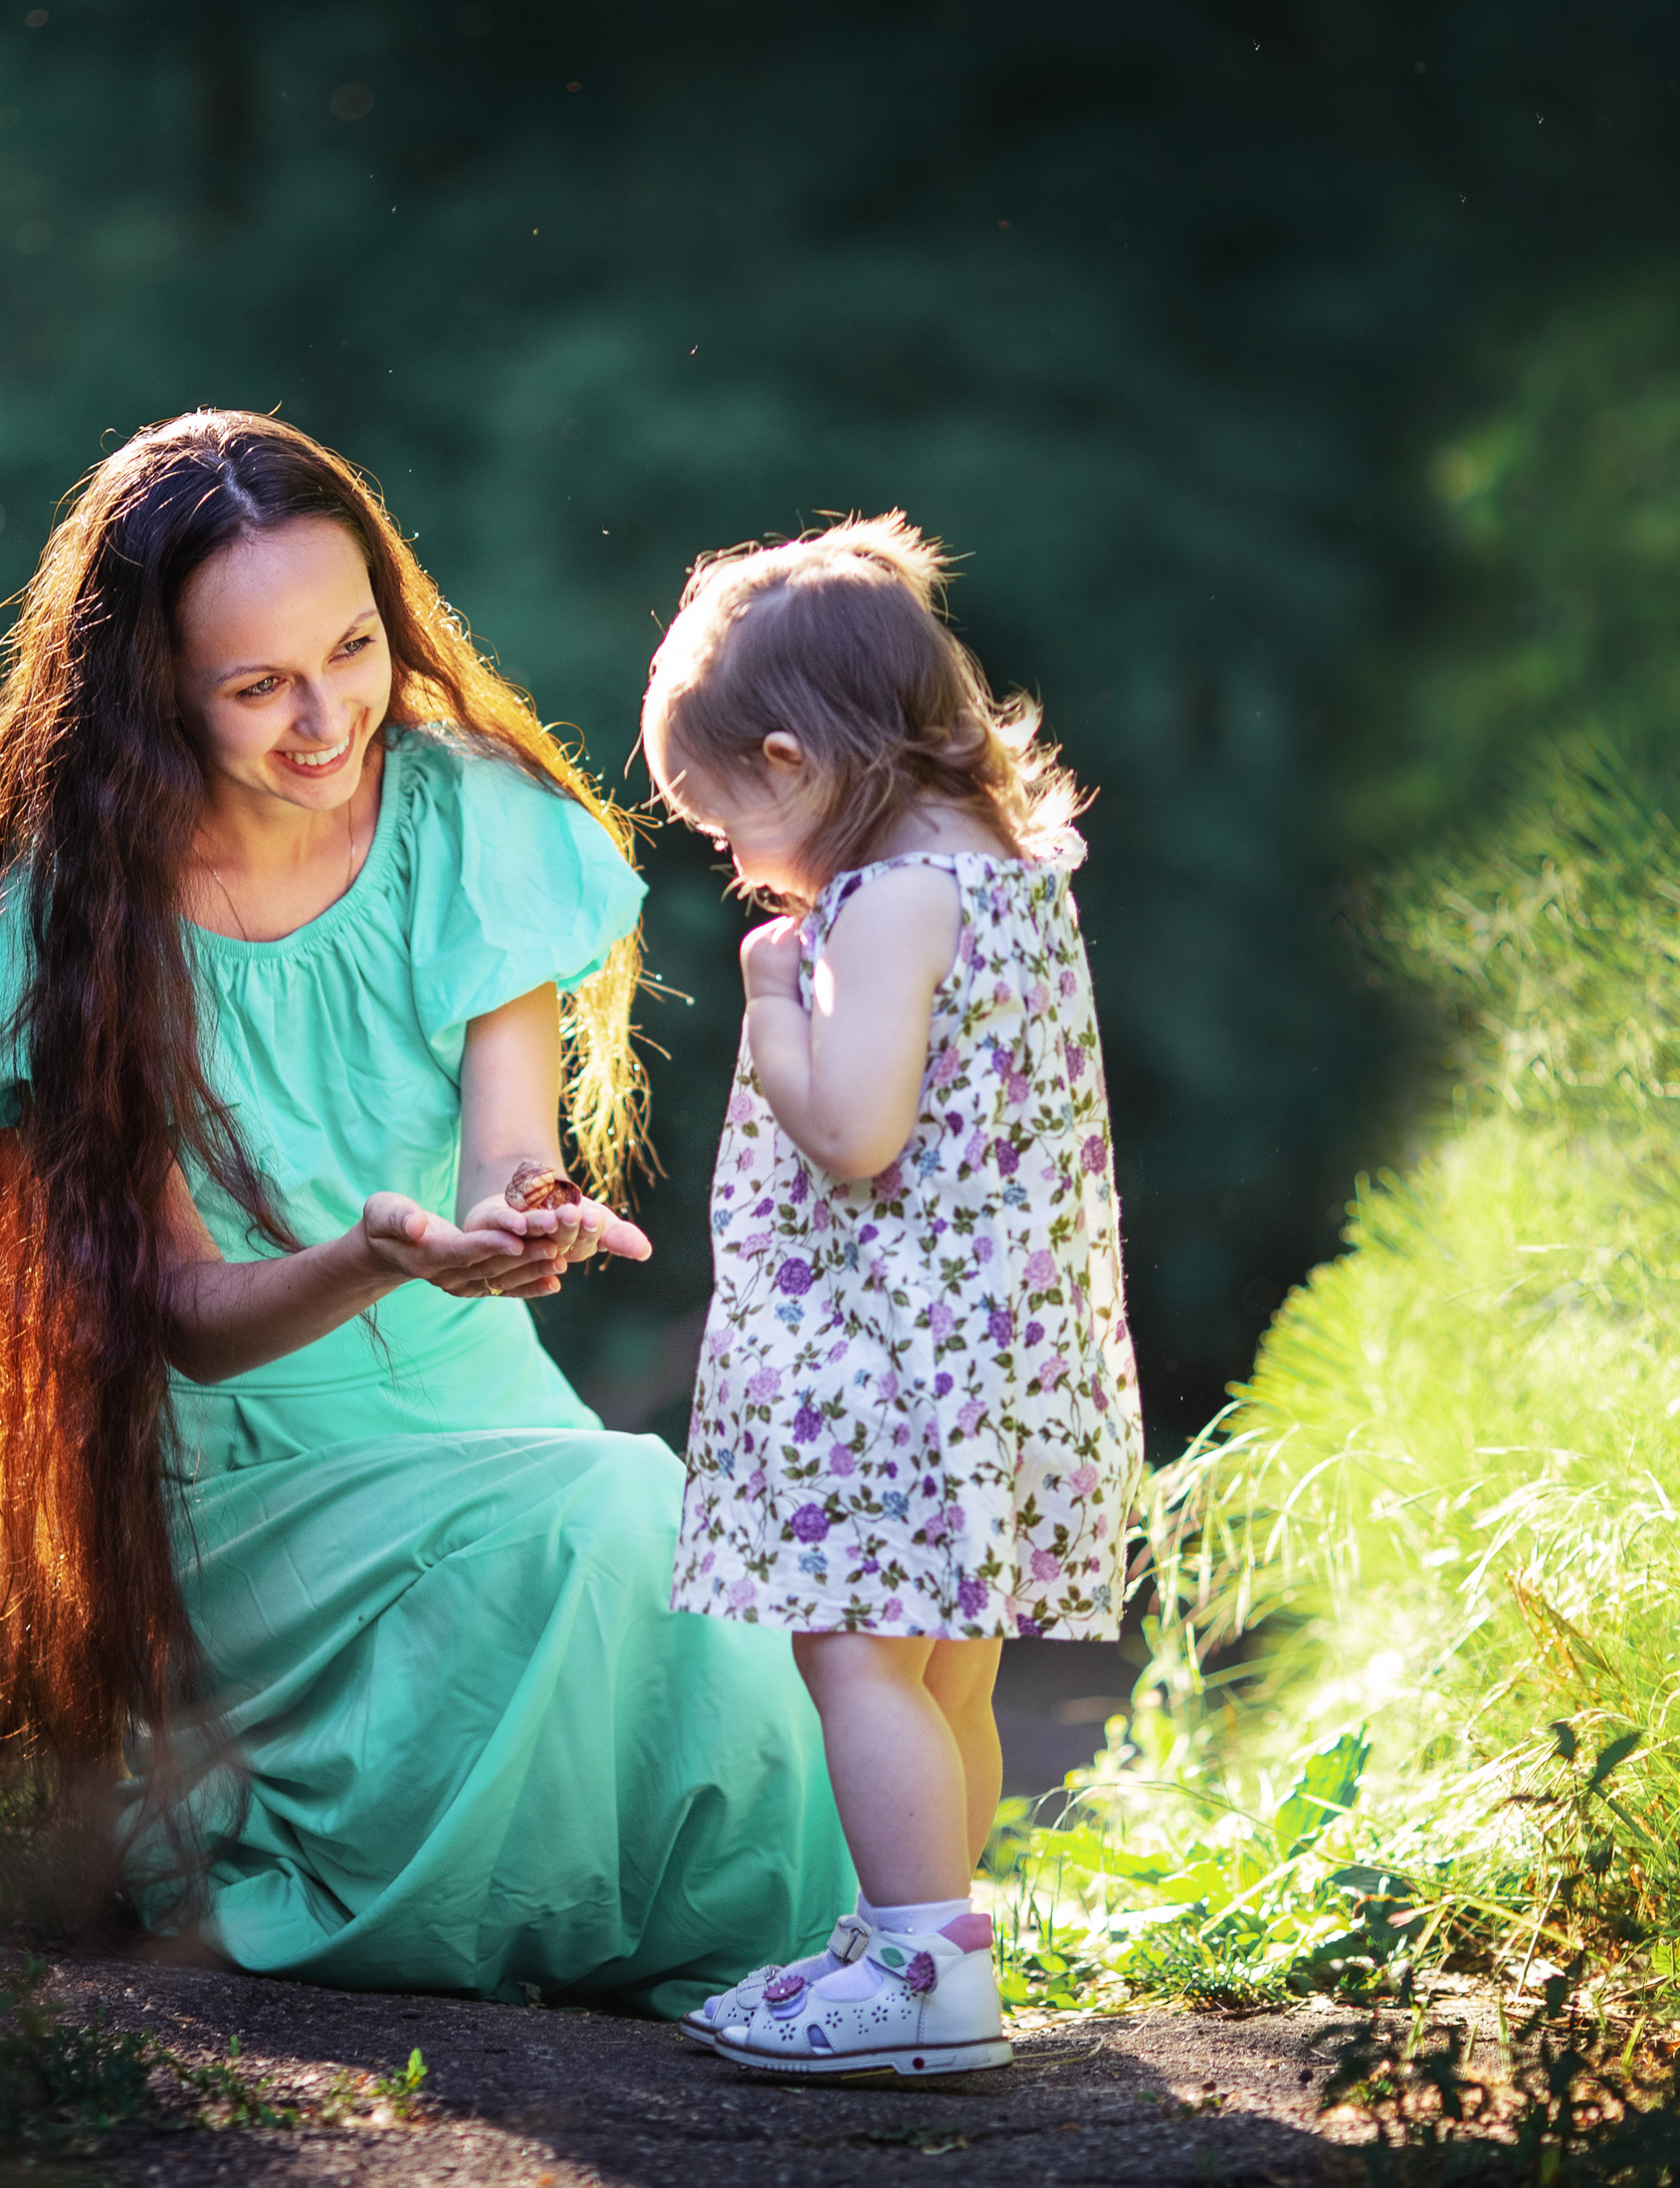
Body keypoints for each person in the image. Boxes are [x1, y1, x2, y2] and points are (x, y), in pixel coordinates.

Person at [0, 410, 852, 2016]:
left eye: (352, 649)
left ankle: (777, 1981)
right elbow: (187, 1328)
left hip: (481, 1415)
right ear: (150, 699)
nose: (327, 717)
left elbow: (501, 1159)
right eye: (257, 684)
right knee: (609, 1516)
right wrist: (368, 1260)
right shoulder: (82, 919)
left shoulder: (468, 812)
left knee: (660, 1529)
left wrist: (513, 1222)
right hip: (252, 1479)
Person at [639, 516, 1144, 2075]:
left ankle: (924, 1965)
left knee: (854, 1651)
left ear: (794, 761)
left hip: (895, 1357)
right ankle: (926, 1927)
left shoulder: (889, 906)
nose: (735, 865)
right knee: (946, 1664)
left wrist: (775, 999)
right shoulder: (1016, 875)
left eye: (726, 827)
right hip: (1003, 1357)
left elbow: (856, 1133)